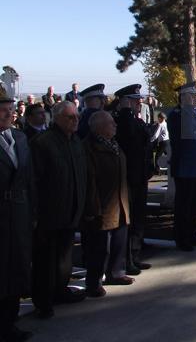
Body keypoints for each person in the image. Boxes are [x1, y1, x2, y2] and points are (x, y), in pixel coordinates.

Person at [30, 101, 87, 318]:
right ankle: (43, 301)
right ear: (57, 118)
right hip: (49, 213)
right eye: (70, 118)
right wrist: (35, 215)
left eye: (77, 118)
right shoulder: (43, 143)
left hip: (71, 210)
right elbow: (34, 181)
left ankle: (60, 290)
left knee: (64, 258)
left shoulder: (75, 142)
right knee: (45, 260)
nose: (75, 121)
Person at [82, 111, 132, 297]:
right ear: (99, 127)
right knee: (99, 247)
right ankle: (94, 282)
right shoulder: (90, 147)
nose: (115, 126)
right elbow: (90, 180)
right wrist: (92, 207)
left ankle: (116, 272)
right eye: (111, 123)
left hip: (119, 199)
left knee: (119, 240)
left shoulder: (113, 144)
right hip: (102, 203)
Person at [0, 97, 35, 341]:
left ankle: (10, 322)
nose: (8, 115)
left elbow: (29, 178)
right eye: (3, 111)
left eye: (11, 110)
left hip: (19, 213)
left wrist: (33, 212)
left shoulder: (20, 139)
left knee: (17, 267)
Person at [113, 84, 152, 274]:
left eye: (139, 100)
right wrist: (126, 110)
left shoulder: (137, 120)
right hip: (129, 178)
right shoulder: (122, 120)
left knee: (138, 219)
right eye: (135, 101)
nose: (140, 103)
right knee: (129, 222)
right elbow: (127, 136)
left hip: (140, 175)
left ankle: (135, 256)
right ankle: (127, 260)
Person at [167, 82, 196, 251]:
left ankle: (193, 234)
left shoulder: (195, 113)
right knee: (183, 204)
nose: (195, 98)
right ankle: (182, 238)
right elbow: (180, 142)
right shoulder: (176, 115)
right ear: (183, 97)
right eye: (191, 95)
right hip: (185, 166)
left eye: (195, 95)